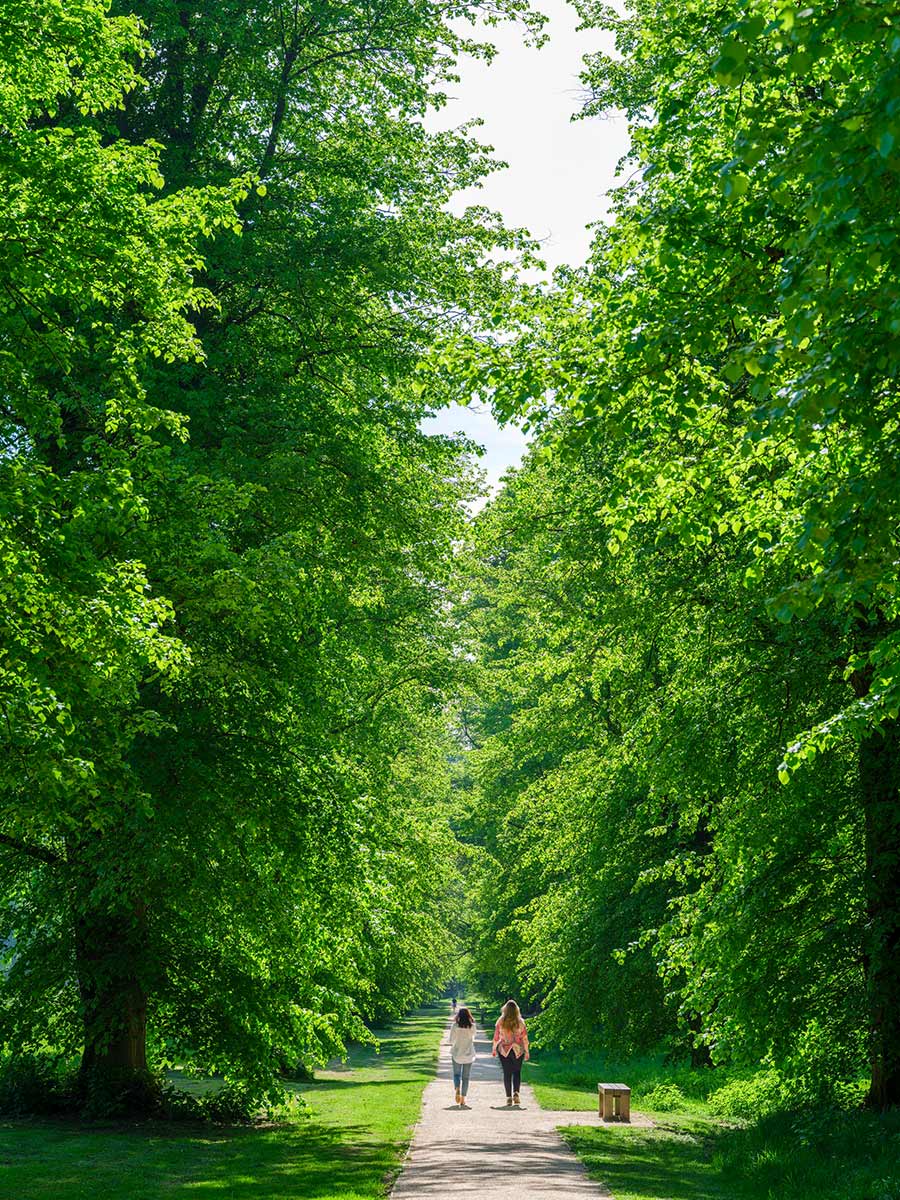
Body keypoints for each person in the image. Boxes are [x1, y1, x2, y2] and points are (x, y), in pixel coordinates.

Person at [492, 999, 529, 1107]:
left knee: (507, 1073)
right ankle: (516, 1093)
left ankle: (508, 1097)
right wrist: (526, 1051)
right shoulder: (521, 1022)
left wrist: (494, 1049)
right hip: (518, 1050)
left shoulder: (501, 1021)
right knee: (517, 1072)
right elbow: (525, 1038)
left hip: (504, 1050)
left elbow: (496, 1037)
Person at [449, 1006, 476, 1107]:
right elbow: (473, 1037)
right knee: (466, 1077)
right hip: (468, 1053)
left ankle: (457, 1088)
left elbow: (451, 1040)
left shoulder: (455, 1026)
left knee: (456, 1074)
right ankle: (463, 1099)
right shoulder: (472, 1026)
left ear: (459, 1016)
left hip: (457, 1053)